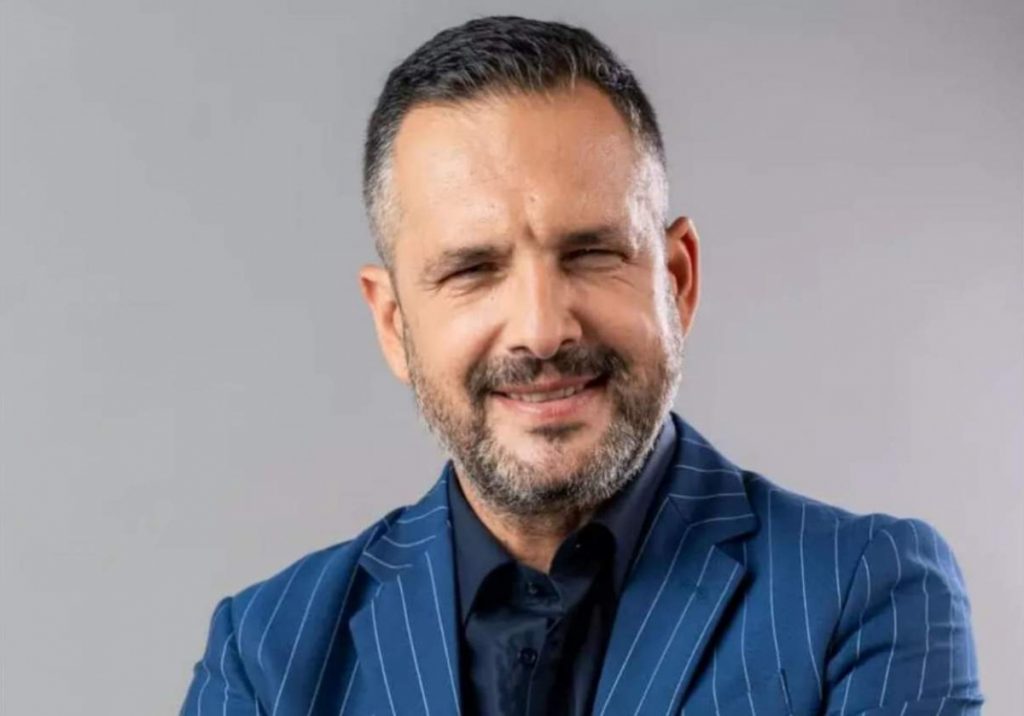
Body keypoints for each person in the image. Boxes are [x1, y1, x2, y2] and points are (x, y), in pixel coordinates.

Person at [180, 16, 982, 716]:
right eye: (473, 269)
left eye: (592, 253)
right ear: (394, 323)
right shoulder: (266, 653)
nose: (541, 330)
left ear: (677, 280)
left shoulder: (864, 592)